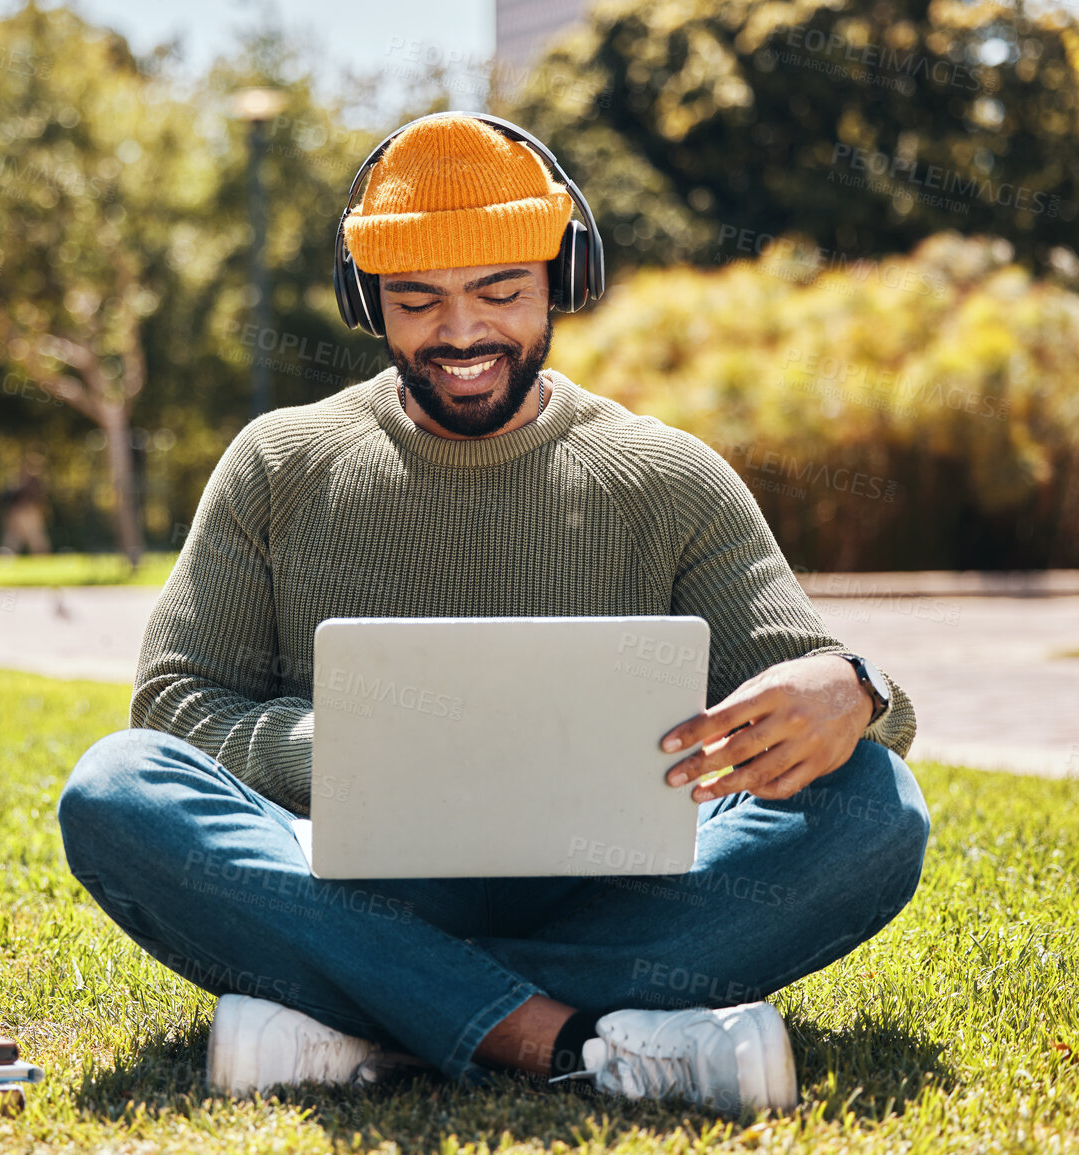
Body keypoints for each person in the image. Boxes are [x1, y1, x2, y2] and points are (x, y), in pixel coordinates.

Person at [57, 114, 928, 1115]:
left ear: (562, 278)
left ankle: (365, 1019)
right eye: (417, 300)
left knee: (876, 806)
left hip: (613, 891)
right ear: (365, 298)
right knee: (116, 789)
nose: (462, 334)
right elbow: (171, 708)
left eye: (501, 292)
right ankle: (573, 1037)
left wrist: (856, 689)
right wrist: (348, 754)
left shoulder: (668, 476)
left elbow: (857, 715)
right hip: (353, 880)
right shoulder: (278, 464)